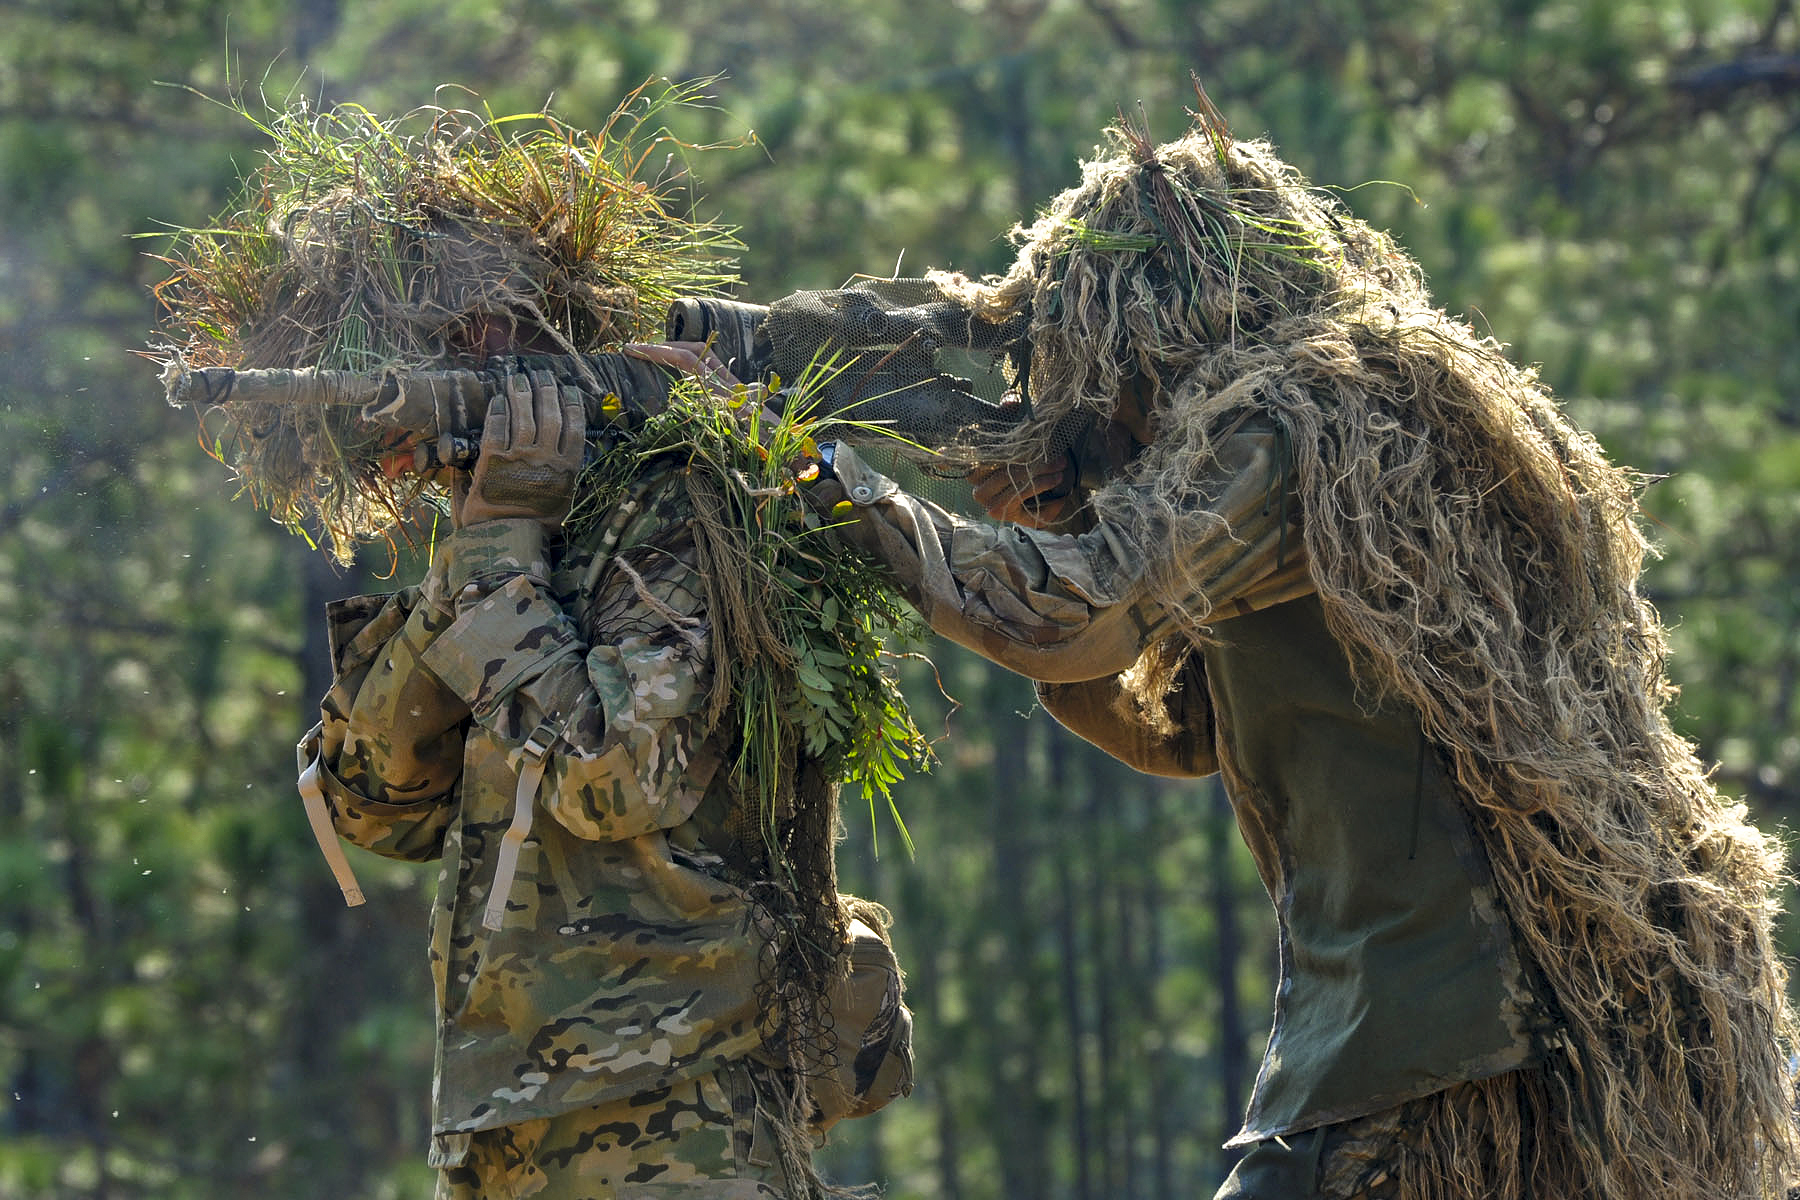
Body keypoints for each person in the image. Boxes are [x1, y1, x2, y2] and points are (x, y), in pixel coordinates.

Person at [781, 115, 1798, 1198]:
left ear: (1148, 331)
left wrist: (828, 480)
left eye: (1087, 375)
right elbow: (1188, 732)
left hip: (1456, 1038)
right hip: (1539, 1021)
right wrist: (1060, 524)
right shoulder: (1379, 416)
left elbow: (1072, 617)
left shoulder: (1290, 421)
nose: (1086, 413)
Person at [299, 341, 912, 1199]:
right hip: (502, 1120)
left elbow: (615, 776)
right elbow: (371, 806)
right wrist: (480, 554)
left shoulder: (678, 517)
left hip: (670, 1111)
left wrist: (498, 567)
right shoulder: (516, 537)